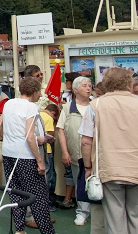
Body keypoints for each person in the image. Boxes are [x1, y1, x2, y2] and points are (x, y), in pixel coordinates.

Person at [80, 66, 138, 234]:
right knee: (136, 215)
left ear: (106, 83)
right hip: (135, 167)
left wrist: (88, 168)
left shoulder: (95, 105)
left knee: (114, 218)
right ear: (128, 82)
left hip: (109, 169)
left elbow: (86, 141)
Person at [1, 76, 55, 234]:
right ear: (35, 91)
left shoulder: (9, 103)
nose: (40, 96)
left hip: (8, 154)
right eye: (39, 92)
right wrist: (40, 161)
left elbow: (9, 128)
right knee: (38, 197)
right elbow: (29, 136)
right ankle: (47, 231)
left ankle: (19, 230)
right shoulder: (30, 107)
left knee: (16, 194)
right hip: (25, 157)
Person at [56, 75, 92, 225]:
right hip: (77, 155)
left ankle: (99, 212)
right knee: (80, 185)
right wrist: (65, 152)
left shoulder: (96, 105)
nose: (88, 88)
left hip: (96, 154)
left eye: (90, 85)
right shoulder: (67, 108)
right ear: (76, 90)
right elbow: (61, 130)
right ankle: (82, 212)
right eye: (84, 85)